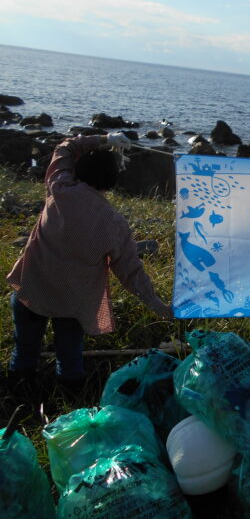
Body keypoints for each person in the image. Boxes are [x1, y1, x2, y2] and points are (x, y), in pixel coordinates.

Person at [5, 132, 171, 391]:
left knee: (25, 351)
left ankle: (20, 390)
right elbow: (130, 272)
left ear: (78, 170)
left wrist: (103, 138)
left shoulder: (59, 188)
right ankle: (71, 399)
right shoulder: (113, 223)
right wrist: (157, 304)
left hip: (32, 288)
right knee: (69, 358)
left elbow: (64, 147)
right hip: (73, 302)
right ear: (111, 181)